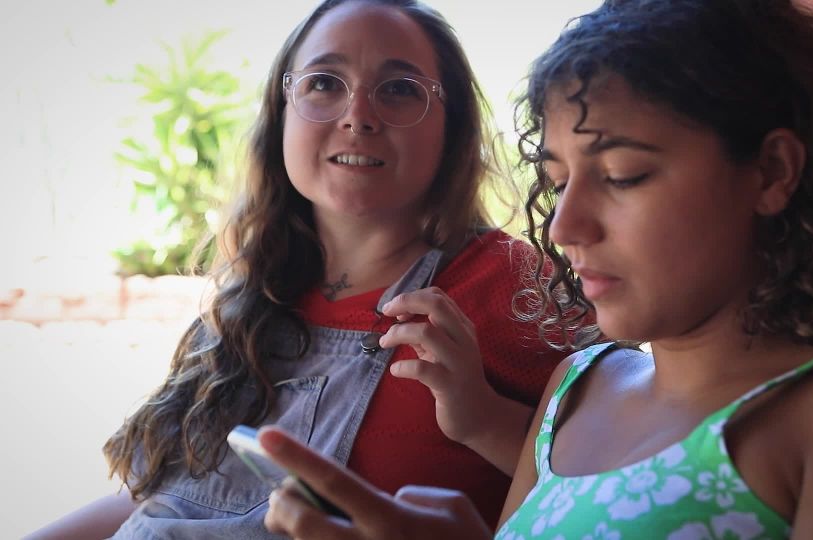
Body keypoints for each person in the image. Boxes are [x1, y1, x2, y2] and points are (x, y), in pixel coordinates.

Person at [255, 0, 813, 538]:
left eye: (622, 175)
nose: (564, 228)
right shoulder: (576, 388)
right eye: (559, 182)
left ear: (771, 171)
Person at [26, 1, 578, 538]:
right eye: (324, 83)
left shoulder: (517, 287)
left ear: (452, 127)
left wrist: (483, 419)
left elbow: (611, 490)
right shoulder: (253, 289)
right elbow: (162, 500)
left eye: (400, 90)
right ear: (280, 112)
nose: (358, 117)